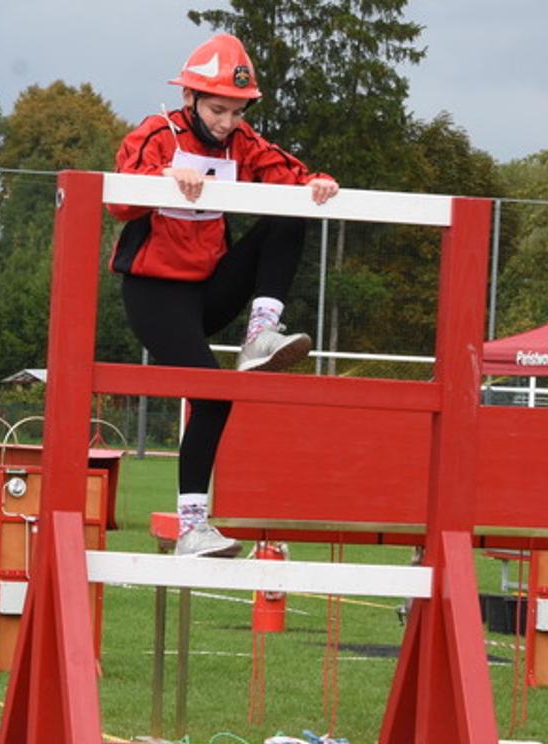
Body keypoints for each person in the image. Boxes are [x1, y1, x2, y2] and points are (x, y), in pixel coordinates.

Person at [108, 32, 338, 557]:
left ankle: (261, 334)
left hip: (209, 291)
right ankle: (192, 528)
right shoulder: (156, 133)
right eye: (217, 110)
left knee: (290, 212)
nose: (226, 122)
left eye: (237, 112)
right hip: (155, 295)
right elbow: (120, 197)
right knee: (213, 396)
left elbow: (289, 173)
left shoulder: (242, 142)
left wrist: (319, 183)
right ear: (189, 98)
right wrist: (166, 177)